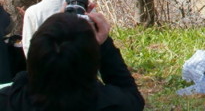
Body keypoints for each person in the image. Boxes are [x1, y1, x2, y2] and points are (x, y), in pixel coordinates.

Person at [0, 11, 144, 111]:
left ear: (33, 57)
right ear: (93, 64)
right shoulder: (109, 104)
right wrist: (104, 44)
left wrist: (59, 22)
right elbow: (132, 96)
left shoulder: (10, 101)